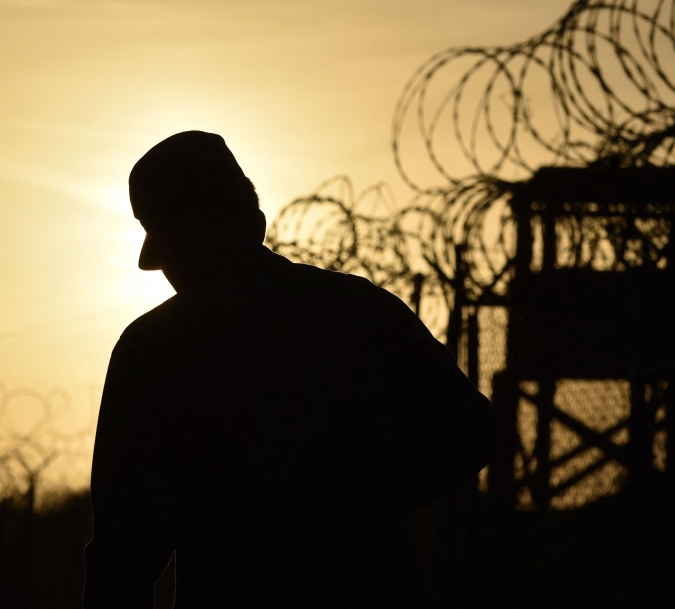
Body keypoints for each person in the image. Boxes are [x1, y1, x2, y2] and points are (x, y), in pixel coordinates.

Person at [83, 131, 497, 607]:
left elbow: (123, 550)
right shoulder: (359, 309)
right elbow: (471, 431)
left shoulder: (154, 348)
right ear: (253, 222)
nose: (149, 262)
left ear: (182, 238)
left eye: (156, 233)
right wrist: (358, 506)